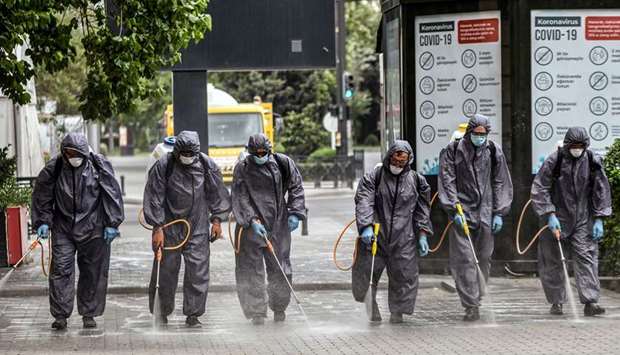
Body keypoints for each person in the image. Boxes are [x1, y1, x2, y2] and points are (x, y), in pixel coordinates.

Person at [32, 132, 124, 330]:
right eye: (70, 152)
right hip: (63, 228)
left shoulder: (98, 166)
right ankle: (60, 316)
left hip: (94, 227)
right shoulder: (54, 169)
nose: (74, 156)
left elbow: (112, 193)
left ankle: (89, 314)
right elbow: (42, 196)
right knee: (61, 270)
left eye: (77, 152)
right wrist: (42, 221)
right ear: (64, 152)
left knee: (92, 272)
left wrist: (112, 223)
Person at [143, 131, 231, 327]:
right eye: (184, 152)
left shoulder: (207, 165)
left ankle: (193, 314)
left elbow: (218, 194)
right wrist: (157, 227)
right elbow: (154, 196)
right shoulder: (164, 166)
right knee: (166, 271)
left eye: (191, 153)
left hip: (197, 225)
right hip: (169, 226)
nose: (187, 156)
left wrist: (217, 220)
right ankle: (161, 311)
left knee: (198, 271)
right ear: (176, 151)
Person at [438, 114, 513, 321]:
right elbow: (447, 180)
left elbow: (500, 181)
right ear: (469, 132)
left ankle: (478, 296)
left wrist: (499, 212)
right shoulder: (453, 151)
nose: (480, 137)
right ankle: (471, 304)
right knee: (464, 259)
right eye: (477, 134)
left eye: (484, 134)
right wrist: (454, 209)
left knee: (484, 257)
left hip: (486, 210)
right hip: (462, 209)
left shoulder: (493, 150)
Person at [531, 127, 611, 316]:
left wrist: (599, 218)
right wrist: (549, 214)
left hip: (583, 218)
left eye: (580, 146)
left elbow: (601, 190)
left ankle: (590, 302)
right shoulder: (555, 160)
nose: (577, 149)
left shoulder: (592, 161)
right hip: (556, 218)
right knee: (553, 260)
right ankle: (556, 302)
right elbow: (540, 188)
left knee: (586, 257)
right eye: (574, 146)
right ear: (567, 145)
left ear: (586, 145)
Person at [353, 140, 433, 323]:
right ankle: (370, 305)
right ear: (389, 156)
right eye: (395, 161)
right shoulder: (375, 176)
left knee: (404, 275)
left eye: (401, 163)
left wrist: (422, 234)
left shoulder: (417, 181)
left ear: (408, 161)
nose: (397, 165)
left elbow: (423, 209)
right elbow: (364, 200)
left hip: (404, 238)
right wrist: (366, 226)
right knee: (367, 273)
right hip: (376, 236)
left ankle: (398, 312)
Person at [231, 133, 306, 325]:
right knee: (251, 270)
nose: (260, 155)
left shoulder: (283, 163)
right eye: (257, 153)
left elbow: (296, 187)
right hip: (251, 228)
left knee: (280, 268)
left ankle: (279, 307)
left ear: (270, 150)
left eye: (264, 152)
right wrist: (251, 220)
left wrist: (295, 212)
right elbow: (240, 196)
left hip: (279, 224)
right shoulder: (242, 168)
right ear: (250, 152)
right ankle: (257, 312)